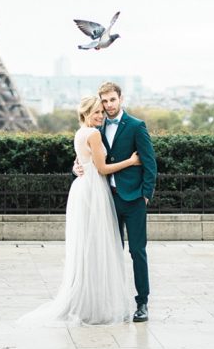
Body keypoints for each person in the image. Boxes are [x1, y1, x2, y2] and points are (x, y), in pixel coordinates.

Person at [18, 95, 140, 327]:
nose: (101, 116)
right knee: (97, 247)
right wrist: (131, 162)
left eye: (102, 113)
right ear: (85, 113)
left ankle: (85, 301)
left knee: (86, 248)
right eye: (96, 113)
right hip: (93, 190)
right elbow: (102, 168)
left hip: (82, 189)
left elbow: (82, 162)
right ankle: (96, 304)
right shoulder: (93, 134)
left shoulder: (80, 132)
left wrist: (79, 166)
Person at [74, 81, 158, 322]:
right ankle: (112, 301)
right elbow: (86, 157)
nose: (109, 105)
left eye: (112, 100)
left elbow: (149, 162)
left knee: (137, 251)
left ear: (120, 98)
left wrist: (145, 194)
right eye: (105, 101)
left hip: (132, 199)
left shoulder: (135, 126)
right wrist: (76, 167)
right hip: (105, 199)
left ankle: (142, 303)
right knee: (108, 252)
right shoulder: (96, 126)